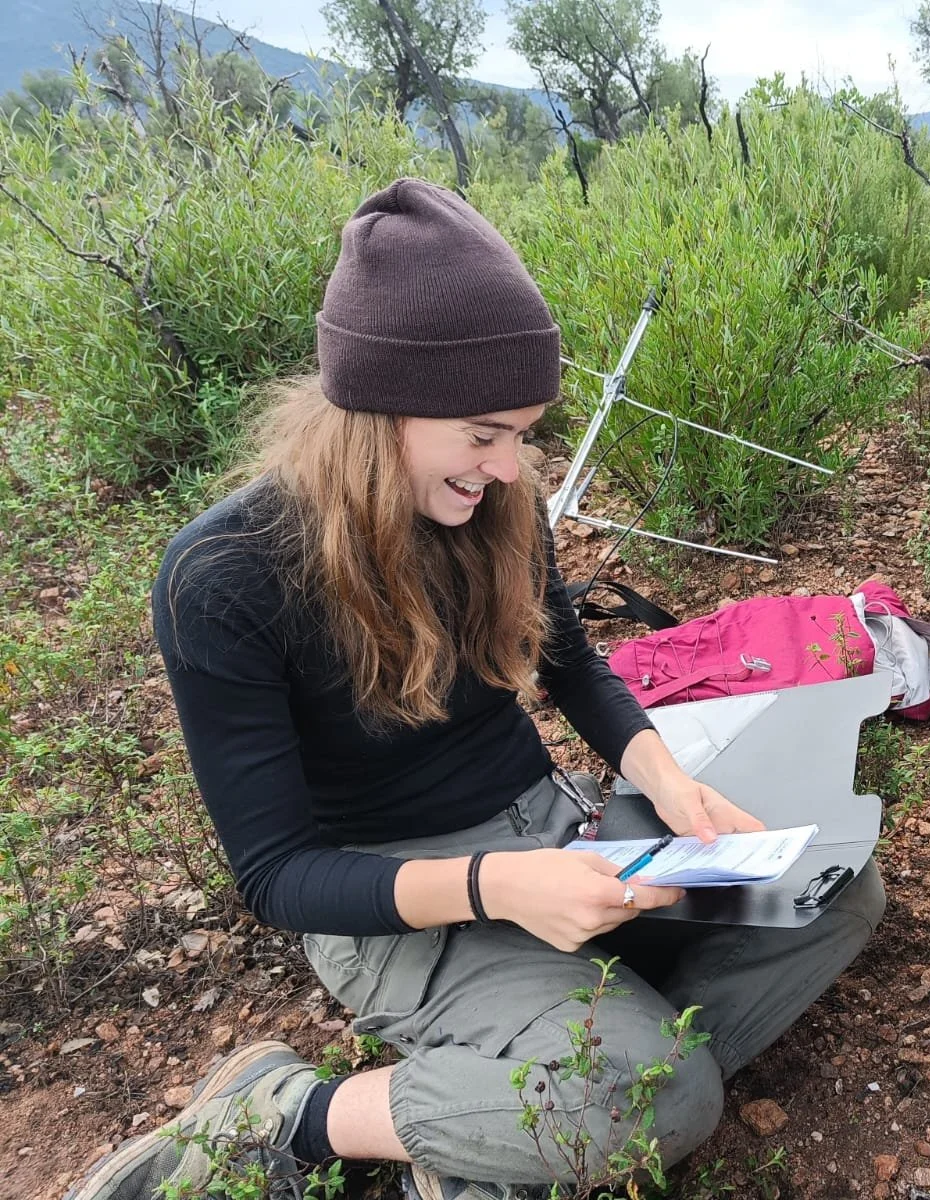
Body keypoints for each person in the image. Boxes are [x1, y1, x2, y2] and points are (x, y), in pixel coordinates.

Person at [71, 178, 885, 1200]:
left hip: (556, 829)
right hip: (396, 897)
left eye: (524, 434)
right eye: (484, 433)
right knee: (658, 1097)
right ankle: (291, 1115)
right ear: (380, 408)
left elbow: (572, 665)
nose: (509, 468)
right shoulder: (225, 577)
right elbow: (277, 876)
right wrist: (499, 886)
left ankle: (518, 1115)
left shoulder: (500, 505)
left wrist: (669, 785)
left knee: (832, 894)